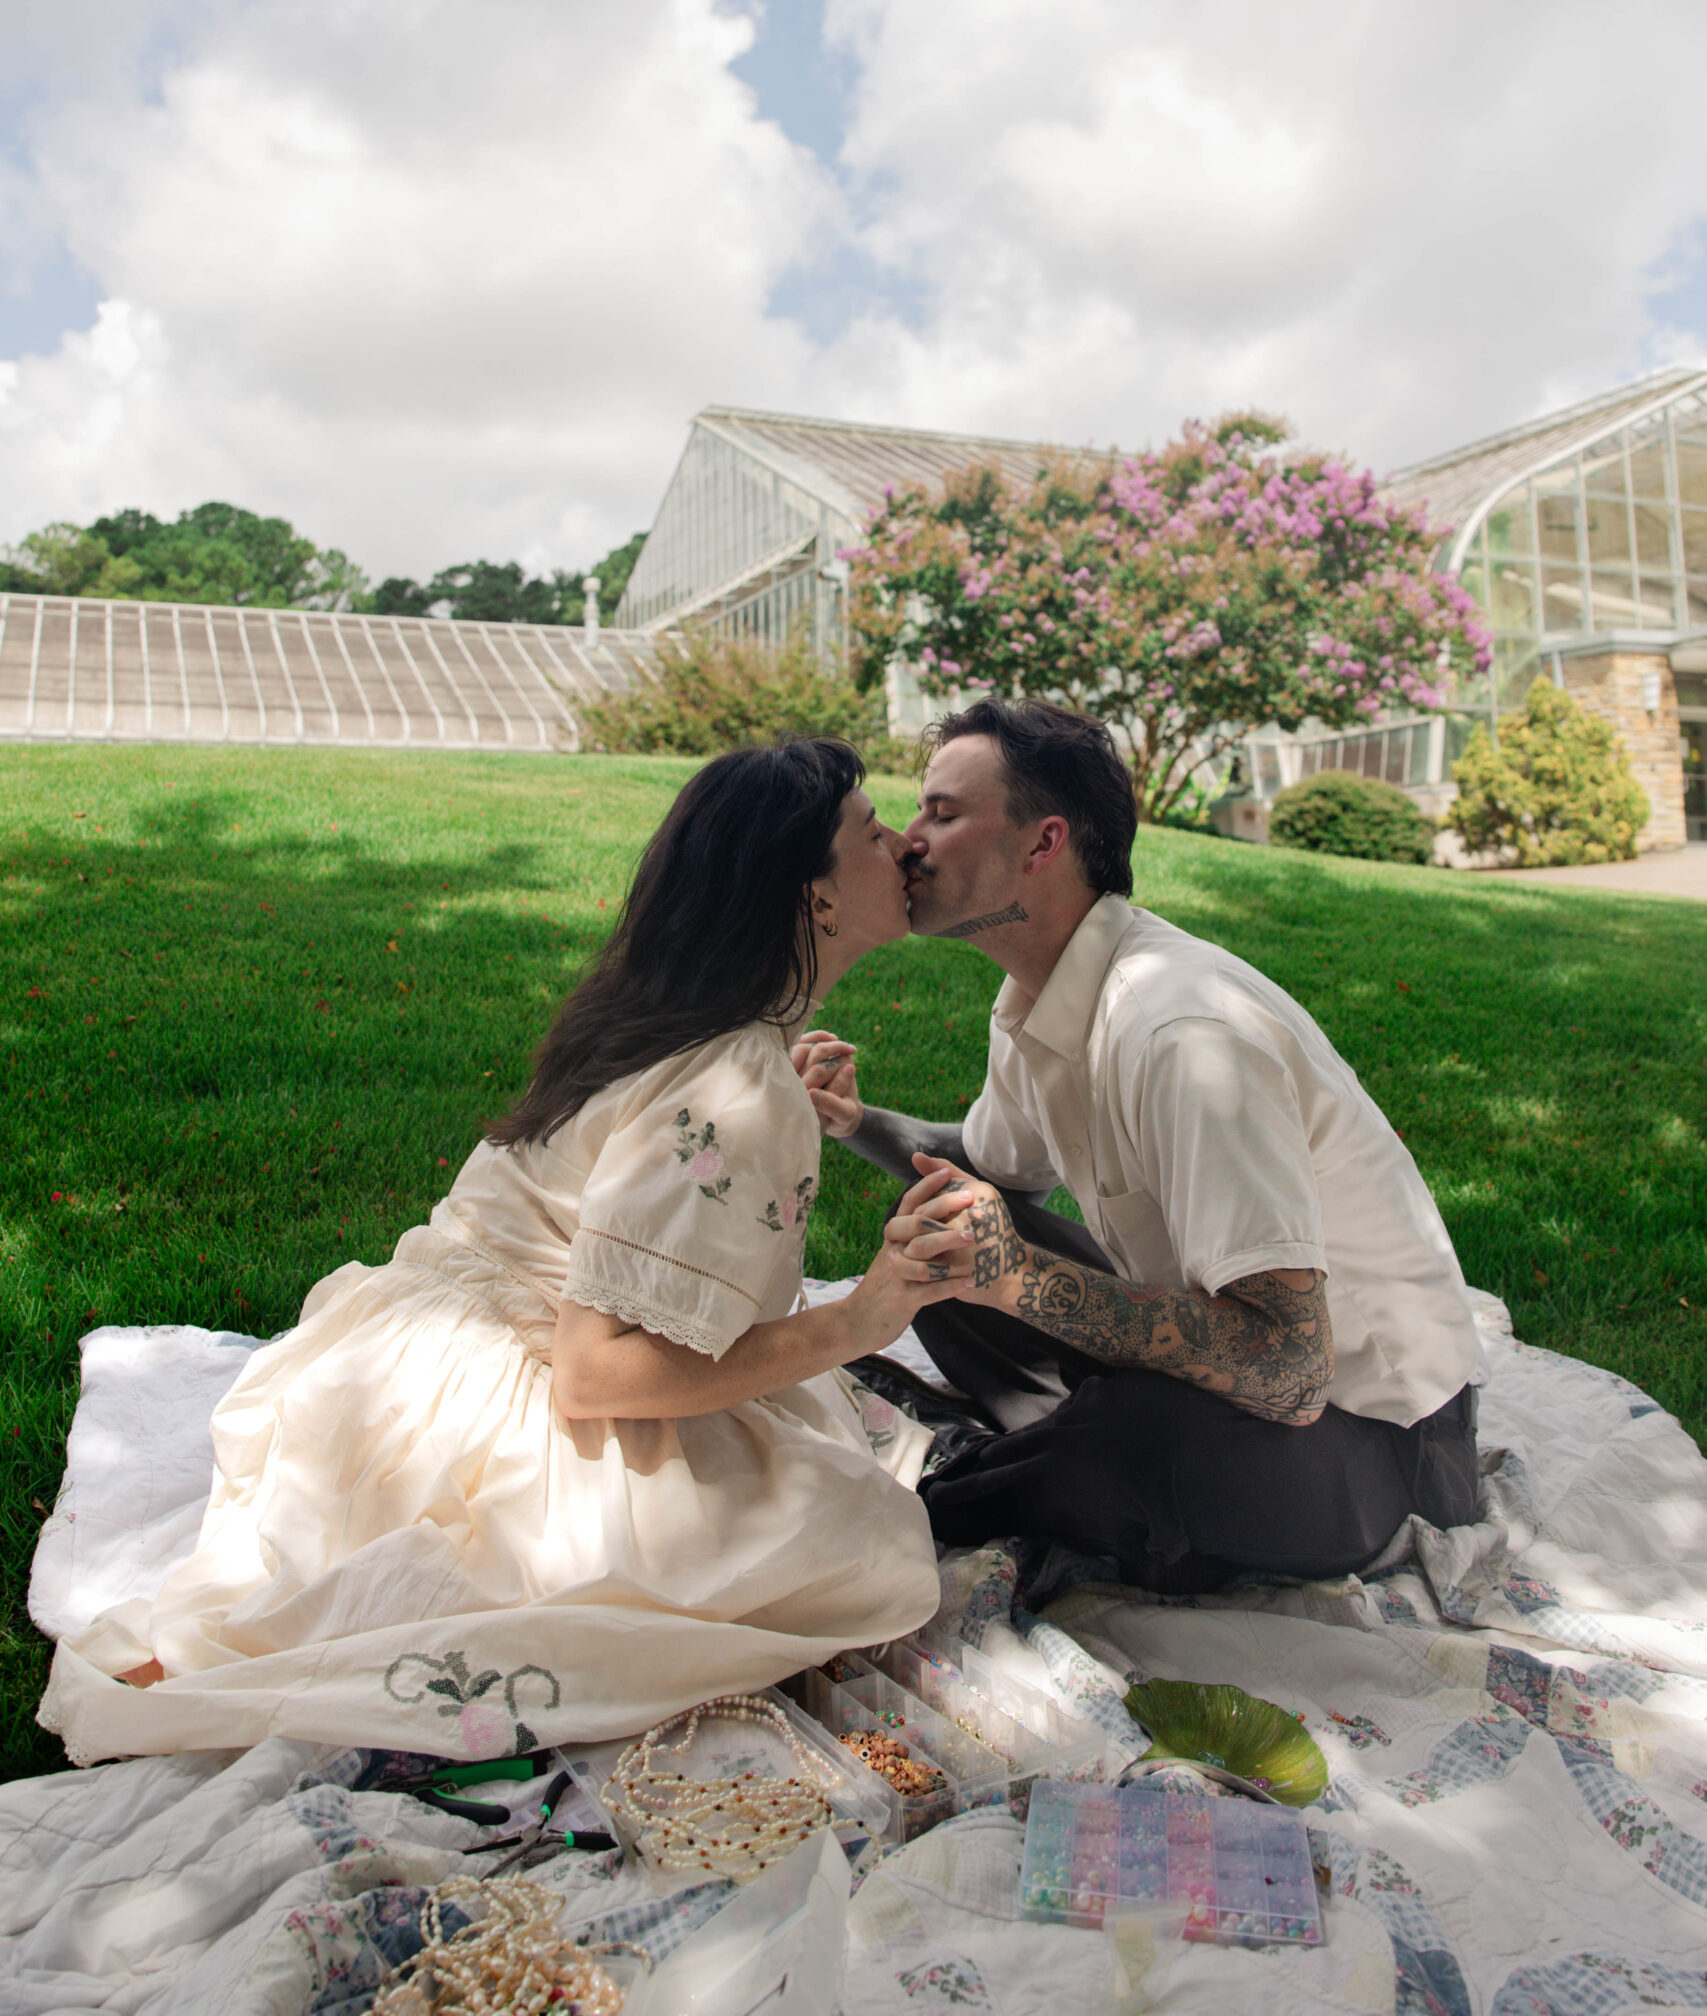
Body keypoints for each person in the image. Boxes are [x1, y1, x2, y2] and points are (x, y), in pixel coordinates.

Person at [43, 740, 959, 1768]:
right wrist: (861, 1316)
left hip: (383, 1369)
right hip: (501, 1422)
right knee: (866, 1546)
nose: (902, 845)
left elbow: (650, 1152)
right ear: (816, 900)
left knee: (823, 1441)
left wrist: (772, 1096)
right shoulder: (731, 1084)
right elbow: (597, 1373)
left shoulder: (686, 1024)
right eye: (871, 830)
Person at [795, 698, 1482, 1593]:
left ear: (1044, 844)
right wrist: (856, 1122)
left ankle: (934, 1492)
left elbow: (1288, 1369)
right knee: (936, 1234)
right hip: (1225, 1380)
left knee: (1129, 1437)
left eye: (944, 812)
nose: (909, 840)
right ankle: (1057, 1458)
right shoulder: (1039, 997)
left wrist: (1025, 1281)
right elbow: (988, 1167)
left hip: (1375, 1447)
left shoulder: (1180, 1034)